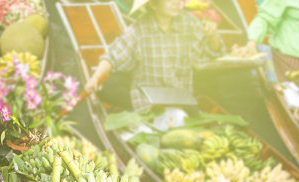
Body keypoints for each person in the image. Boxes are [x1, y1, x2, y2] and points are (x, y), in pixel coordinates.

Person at [86, 0, 223, 111]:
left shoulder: (190, 23)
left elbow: (212, 52)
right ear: (153, 4)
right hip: (148, 104)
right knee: (110, 86)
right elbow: (113, 56)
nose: (176, 2)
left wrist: (213, 36)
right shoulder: (138, 30)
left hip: (181, 99)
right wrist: (96, 78)